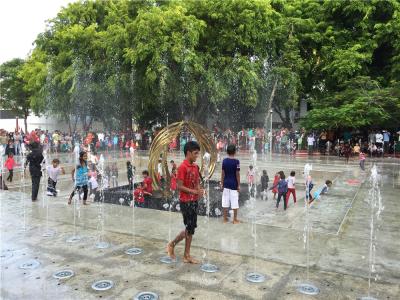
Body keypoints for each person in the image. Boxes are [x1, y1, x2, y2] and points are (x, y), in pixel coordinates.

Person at [166, 141, 204, 264]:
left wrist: (199, 190)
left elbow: (197, 182)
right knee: (189, 227)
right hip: (185, 202)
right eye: (195, 153)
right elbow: (179, 186)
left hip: (193, 201)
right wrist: (193, 191)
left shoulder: (195, 167)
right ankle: (174, 246)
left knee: (191, 229)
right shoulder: (182, 167)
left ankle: (185, 254)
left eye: (198, 153)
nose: (197, 156)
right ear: (188, 153)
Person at [220, 144, 240, 224]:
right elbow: (237, 174)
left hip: (226, 184)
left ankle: (224, 218)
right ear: (234, 152)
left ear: (227, 152)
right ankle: (234, 219)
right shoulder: (236, 162)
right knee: (234, 202)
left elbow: (223, 173)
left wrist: (221, 183)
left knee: (225, 201)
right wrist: (238, 185)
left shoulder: (224, 161)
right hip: (233, 185)